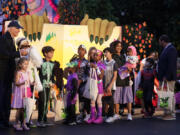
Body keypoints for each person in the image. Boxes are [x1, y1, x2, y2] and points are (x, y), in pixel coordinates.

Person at [0, 20, 26, 128]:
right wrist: (19, 53)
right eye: (17, 28)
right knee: (2, 98)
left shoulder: (11, 39)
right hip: (2, 74)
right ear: (10, 28)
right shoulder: (3, 39)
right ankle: (2, 121)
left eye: (19, 28)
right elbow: (4, 54)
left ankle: (5, 121)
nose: (19, 30)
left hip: (8, 74)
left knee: (6, 99)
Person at [106, 40, 133, 122]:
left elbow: (130, 66)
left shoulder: (125, 56)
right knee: (116, 98)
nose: (119, 47)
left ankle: (129, 114)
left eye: (120, 46)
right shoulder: (113, 57)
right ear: (114, 47)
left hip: (126, 79)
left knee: (128, 97)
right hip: (117, 80)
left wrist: (129, 69)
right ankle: (117, 114)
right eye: (117, 46)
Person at [158, 34, 177, 120]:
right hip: (164, 76)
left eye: (160, 41)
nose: (159, 43)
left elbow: (171, 64)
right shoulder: (166, 49)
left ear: (163, 41)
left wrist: (167, 76)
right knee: (165, 94)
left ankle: (171, 113)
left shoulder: (171, 49)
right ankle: (166, 112)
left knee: (170, 94)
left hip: (168, 77)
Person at [11, 58, 32, 131]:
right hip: (20, 92)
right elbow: (16, 83)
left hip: (26, 92)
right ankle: (16, 123)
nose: (26, 65)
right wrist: (22, 83)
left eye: (27, 64)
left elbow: (29, 82)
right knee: (19, 109)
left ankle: (24, 123)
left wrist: (32, 83)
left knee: (25, 109)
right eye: (25, 64)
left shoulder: (28, 72)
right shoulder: (19, 72)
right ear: (20, 65)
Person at [37, 46, 56, 127]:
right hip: (42, 85)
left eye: (52, 52)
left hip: (49, 85)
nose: (52, 54)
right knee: (42, 102)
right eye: (50, 52)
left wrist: (53, 82)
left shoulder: (53, 63)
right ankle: (39, 120)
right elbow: (35, 72)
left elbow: (52, 75)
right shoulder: (40, 62)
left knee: (47, 102)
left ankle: (44, 119)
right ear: (45, 53)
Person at [86, 49, 106, 124]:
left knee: (98, 101)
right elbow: (89, 74)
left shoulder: (102, 65)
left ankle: (100, 117)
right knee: (92, 101)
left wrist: (96, 68)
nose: (95, 56)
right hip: (92, 85)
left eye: (97, 55)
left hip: (99, 85)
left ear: (100, 57)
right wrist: (90, 67)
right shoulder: (91, 63)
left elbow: (100, 76)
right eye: (94, 55)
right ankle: (93, 116)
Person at [102, 47, 118, 122]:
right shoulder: (103, 62)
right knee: (104, 101)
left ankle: (111, 116)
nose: (105, 54)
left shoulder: (114, 63)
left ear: (111, 53)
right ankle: (105, 115)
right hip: (104, 84)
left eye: (107, 52)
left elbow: (115, 75)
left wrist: (110, 85)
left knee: (110, 101)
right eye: (105, 52)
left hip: (111, 85)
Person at [64, 61, 79, 125]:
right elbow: (69, 83)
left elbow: (75, 87)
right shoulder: (70, 75)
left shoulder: (74, 76)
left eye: (69, 67)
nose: (68, 68)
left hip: (73, 93)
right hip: (69, 93)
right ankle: (68, 119)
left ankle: (73, 120)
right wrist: (65, 86)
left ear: (73, 68)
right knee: (68, 107)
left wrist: (73, 95)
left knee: (72, 108)